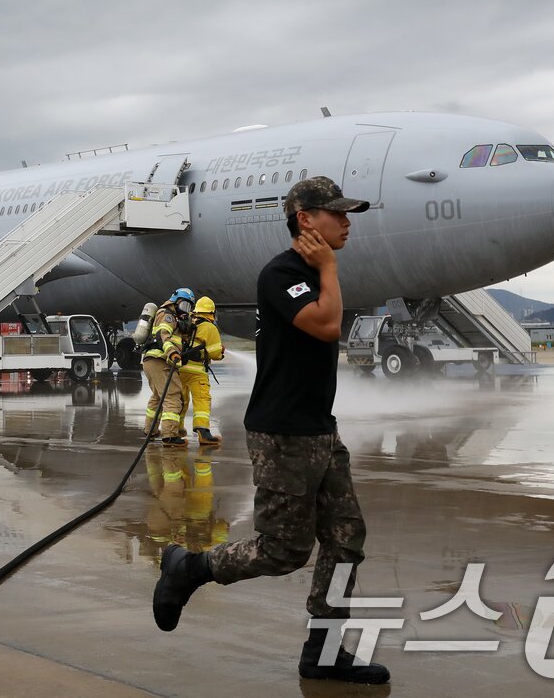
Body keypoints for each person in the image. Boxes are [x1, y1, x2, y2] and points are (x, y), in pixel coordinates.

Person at [151, 176, 390, 684]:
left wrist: (327, 270)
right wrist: (329, 269)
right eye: (337, 213)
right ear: (305, 219)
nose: (346, 222)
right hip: (283, 434)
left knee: (347, 539)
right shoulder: (282, 273)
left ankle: (324, 653)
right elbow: (326, 325)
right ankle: (189, 569)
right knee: (284, 550)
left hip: (320, 429)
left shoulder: (316, 273)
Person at [142, 288, 195, 447]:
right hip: (160, 360)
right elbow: (163, 335)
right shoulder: (168, 315)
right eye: (184, 305)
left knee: (158, 397)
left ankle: (150, 430)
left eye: (189, 307)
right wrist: (172, 352)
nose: (185, 310)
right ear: (175, 301)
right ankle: (170, 435)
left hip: (151, 361)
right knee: (172, 396)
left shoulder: (172, 317)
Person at [180, 296, 225, 445]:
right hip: (197, 371)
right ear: (211, 313)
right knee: (202, 400)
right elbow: (214, 353)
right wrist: (221, 352)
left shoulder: (187, 322)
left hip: (180, 368)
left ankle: (177, 430)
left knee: (181, 400)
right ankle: (203, 433)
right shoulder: (210, 328)